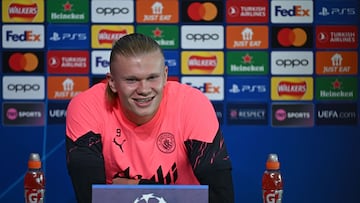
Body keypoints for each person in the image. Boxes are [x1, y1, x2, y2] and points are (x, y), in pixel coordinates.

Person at [65, 33, 234, 203]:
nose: (144, 89)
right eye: (132, 80)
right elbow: (90, 198)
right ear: (112, 82)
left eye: (152, 77)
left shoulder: (192, 105)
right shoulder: (87, 107)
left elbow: (222, 198)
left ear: (165, 76)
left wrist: (138, 186)